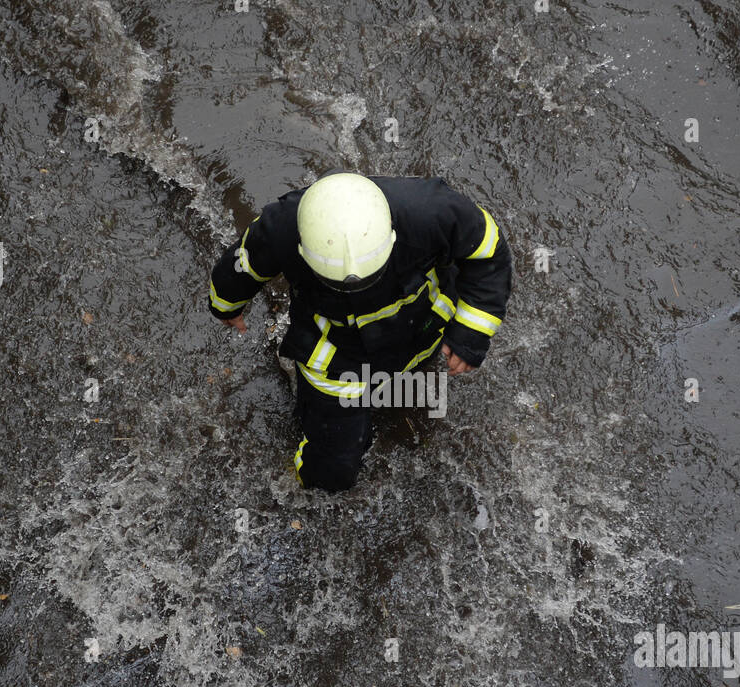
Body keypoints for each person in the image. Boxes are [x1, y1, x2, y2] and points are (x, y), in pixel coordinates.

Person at [208, 172, 513, 491]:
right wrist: (226, 305)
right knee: (329, 474)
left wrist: (470, 333)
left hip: (421, 327)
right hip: (336, 358)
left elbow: (488, 253)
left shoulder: (431, 211)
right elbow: (243, 264)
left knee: (416, 406)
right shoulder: (284, 225)